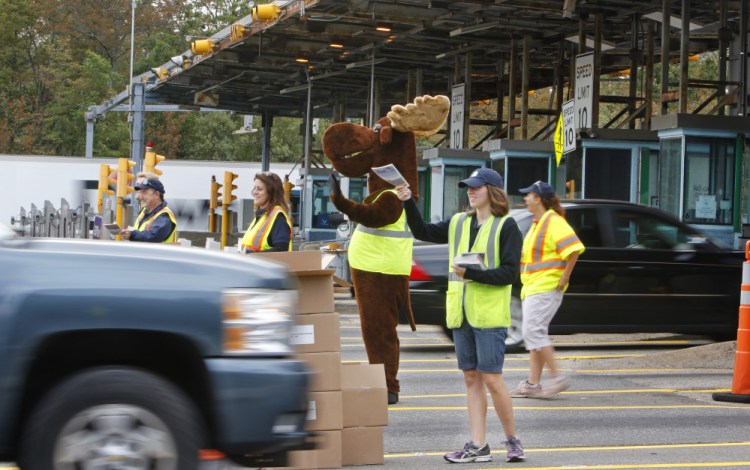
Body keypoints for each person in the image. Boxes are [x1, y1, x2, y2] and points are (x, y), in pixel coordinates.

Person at [396, 168, 525, 464]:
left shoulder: (506, 227)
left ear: (492, 191)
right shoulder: (458, 223)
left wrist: (473, 273)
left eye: (476, 187)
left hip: (489, 316)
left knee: (492, 380)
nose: (470, 191)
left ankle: (513, 440)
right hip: (461, 314)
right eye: (468, 187)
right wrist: (407, 202)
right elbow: (423, 232)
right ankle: (478, 445)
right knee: (470, 378)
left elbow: (508, 274)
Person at [510, 181, 585, 399]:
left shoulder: (553, 221)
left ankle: (557, 378)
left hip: (546, 286)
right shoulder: (538, 222)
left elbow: (574, 249)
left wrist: (565, 277)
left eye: (529, 195)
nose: (525, 198)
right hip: (534, 286)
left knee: (533, 332)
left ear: (539, 198)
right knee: (535, 335)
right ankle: (533, 384)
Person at [241, 172, 292, 252]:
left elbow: (281, 251)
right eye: (254, 188)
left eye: (259, 189)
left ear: (272, 192)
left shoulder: (278, 218)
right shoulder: (262, 216)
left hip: (265, 264)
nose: (255, 192)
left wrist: (253, 255)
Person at [121, 178, 177, 243]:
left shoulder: (164, 216)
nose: (141, 197)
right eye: (140, 193)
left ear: (156, 195)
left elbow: (153, 237)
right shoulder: (144, 211)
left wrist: (132, 235)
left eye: (144, 193)